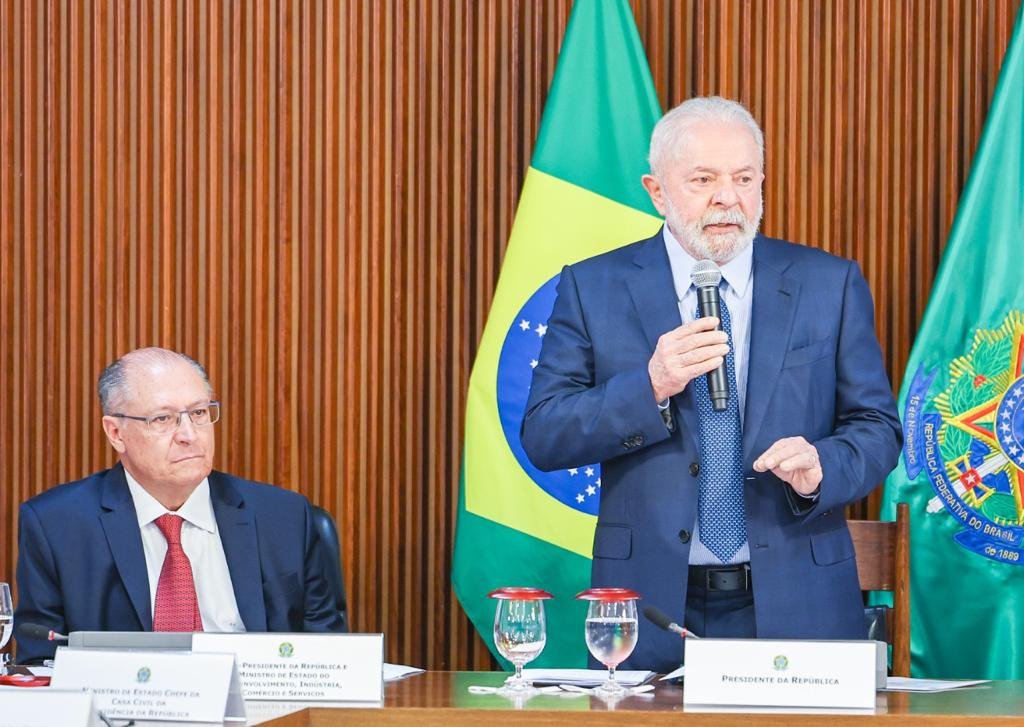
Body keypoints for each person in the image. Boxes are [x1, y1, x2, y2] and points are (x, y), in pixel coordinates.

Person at [521, 97, 902, 671]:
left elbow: (877, 429)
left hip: (799, 599)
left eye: (744, 178)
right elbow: (545, 434)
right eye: (704, 179)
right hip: (647, 606)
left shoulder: (828, 283)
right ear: (657, 191)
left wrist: (823, 466)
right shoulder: (592, 287)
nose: (728, 197)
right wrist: (647, 386)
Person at [15, 347, 346, 662]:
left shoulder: (285, 518)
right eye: (163, 419)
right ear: (116, 432)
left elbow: (328, 658)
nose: (189, 434)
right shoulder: (57, 525)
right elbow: (42, 663)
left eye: (199, 413)